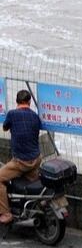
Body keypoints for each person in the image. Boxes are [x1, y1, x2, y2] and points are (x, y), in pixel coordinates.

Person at [0, 90, 42, 225]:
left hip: (20, 162)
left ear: (16, 101)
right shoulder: (35, 116)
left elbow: (5, 128)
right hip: (36, 160)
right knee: (31, 184)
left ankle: (6, 212)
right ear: (29, 102)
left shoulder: (12, 114)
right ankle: (38, 204)